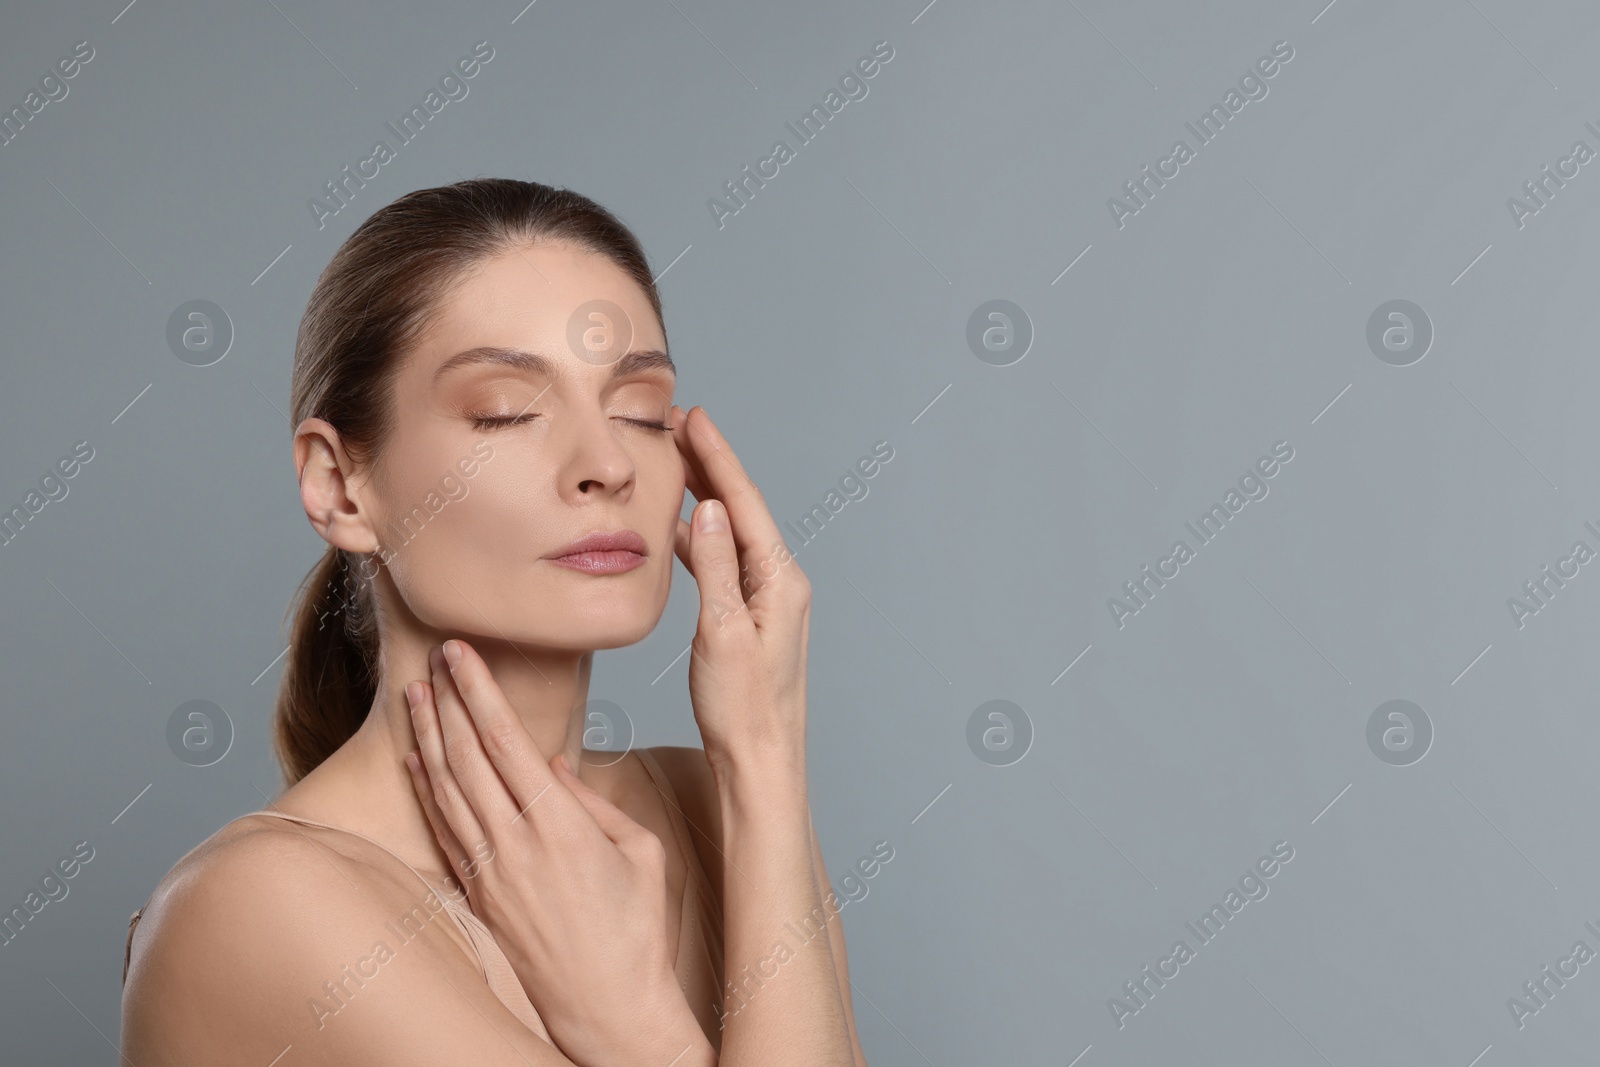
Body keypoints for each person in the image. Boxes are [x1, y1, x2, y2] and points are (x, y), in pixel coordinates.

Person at [118, 178, 868, 1066]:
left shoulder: (719, 803)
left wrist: (764, 750)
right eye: (506, 411)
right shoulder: (253, 908)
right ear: (338, 484)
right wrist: (641, 1036)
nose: (606, 464)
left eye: (637, 411)